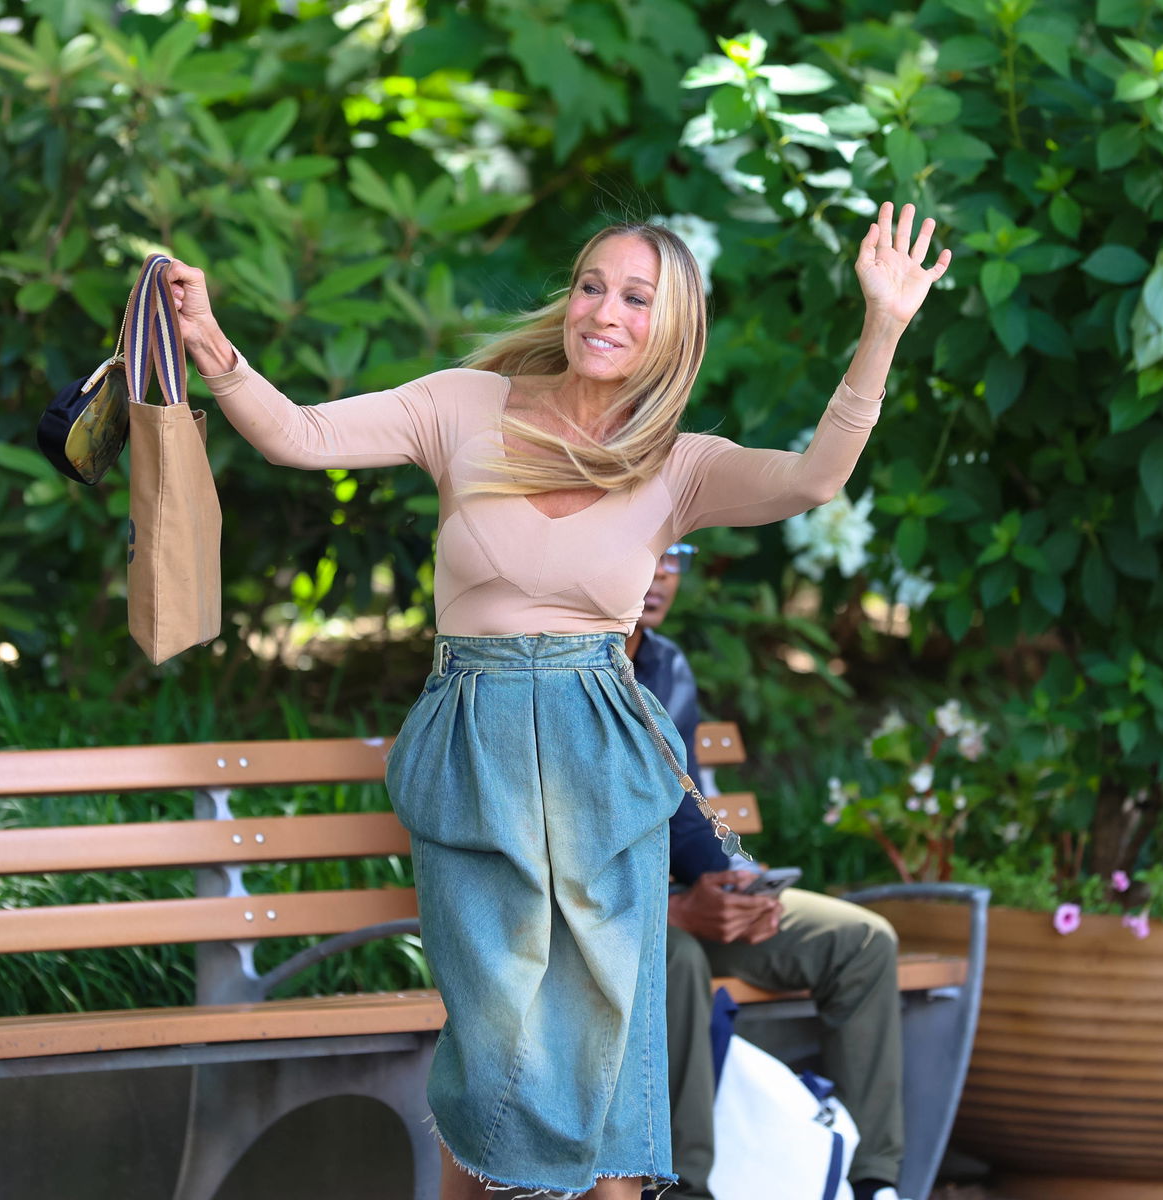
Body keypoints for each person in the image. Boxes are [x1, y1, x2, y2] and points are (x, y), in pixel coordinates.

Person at [164, 202, 950, 1200]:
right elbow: (300, 436)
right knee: (492, 1044)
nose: (605, 312)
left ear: (672, 329)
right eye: (592, 286)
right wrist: (208, 341)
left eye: (637, 299)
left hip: (602, 763)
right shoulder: (462, 406)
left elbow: (814, 479)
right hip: (473, 749)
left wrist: (882, 326)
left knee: (607, 1054)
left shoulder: (678, 464)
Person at [626, 545, 909, 1200]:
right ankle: (681, 1189)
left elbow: (688, 812)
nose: (662, 571)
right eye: (649, 550)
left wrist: (737, 885)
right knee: (675, 957)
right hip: (593, 916)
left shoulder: (665, 666)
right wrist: (671, 911)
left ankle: (869, 1182)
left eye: (677, 554)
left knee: (862, 943)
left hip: (670, 900)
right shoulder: (555, 675)